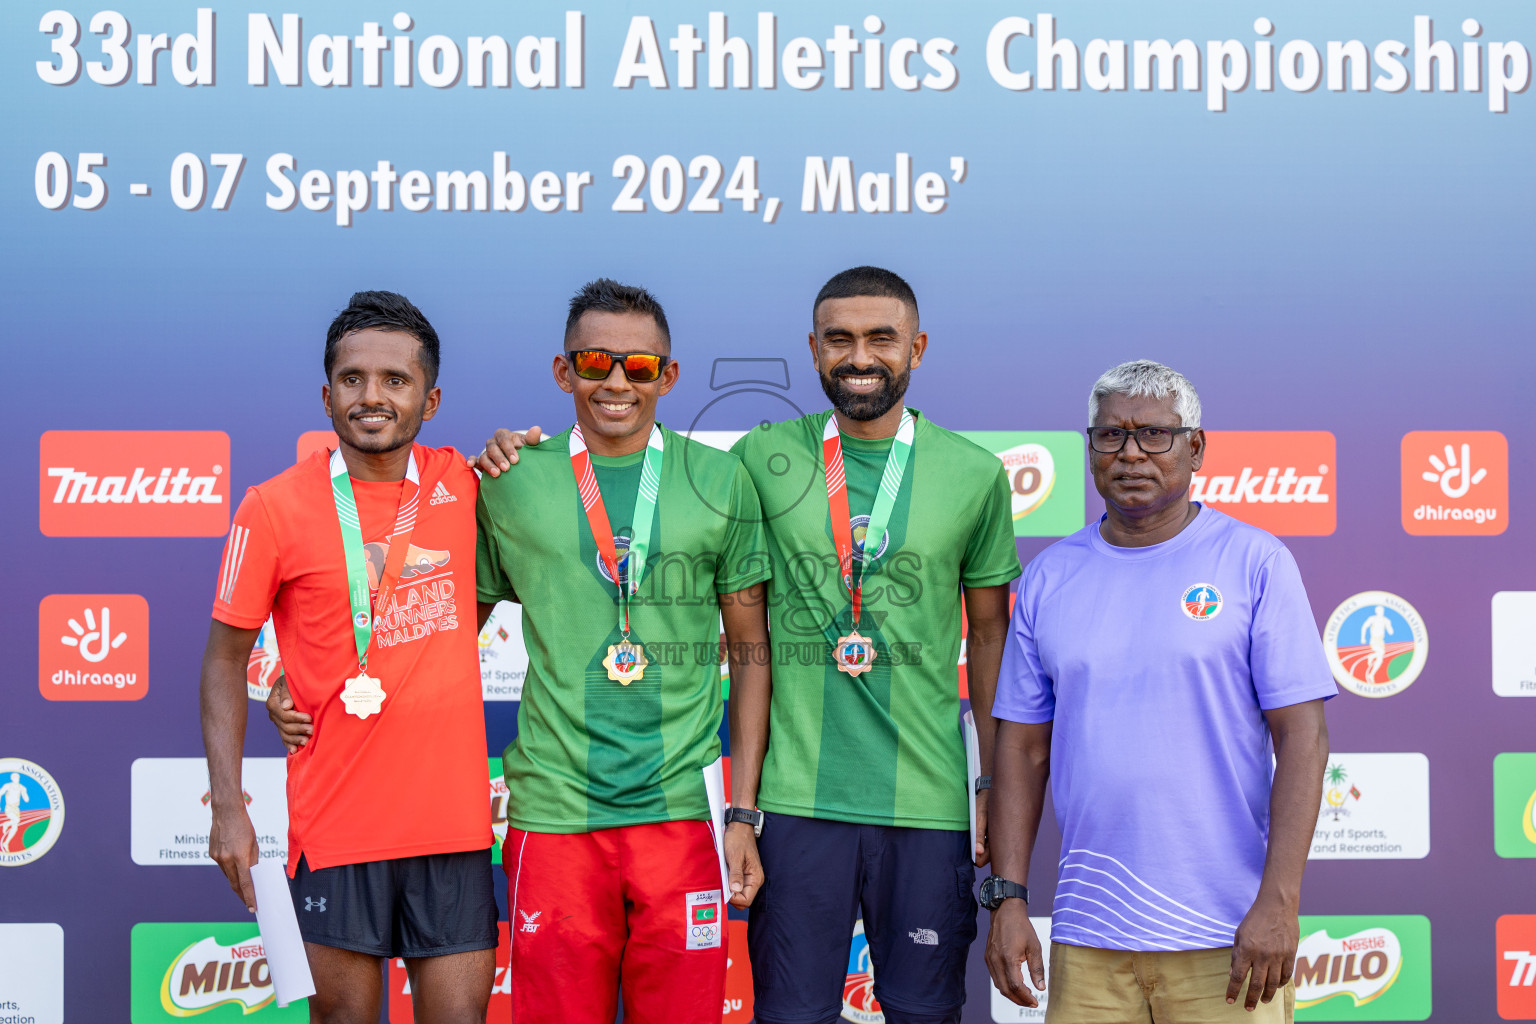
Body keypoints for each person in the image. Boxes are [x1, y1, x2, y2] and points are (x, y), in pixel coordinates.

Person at [202, 290, 530, 1024]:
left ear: (431, 398)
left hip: (453, 833)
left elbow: (467, 601)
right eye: (352, 379)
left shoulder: (470, 487)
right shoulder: (272, 506)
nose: (372, 397)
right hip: (335, 833)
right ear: (326, 395)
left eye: (395, 380)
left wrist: (516, 451)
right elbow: (224, 659)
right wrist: (229, 808)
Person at [983, 360, 1333, 1023]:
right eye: (1111, 436)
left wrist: (1279, 902)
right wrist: (1010, 898)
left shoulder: (1254, 562)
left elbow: (1304, 738)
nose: (1132, 453)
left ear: (1196, 447)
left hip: (1228, 937)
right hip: (1090, 939)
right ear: (1089, 449)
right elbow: (1022, 751)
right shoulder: (1051, 577)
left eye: (1155, 435)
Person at [475, 278, 772, 1024]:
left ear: (668, 378)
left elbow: (751, 653)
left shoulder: (719, 480)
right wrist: (318, 685)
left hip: (682, 814)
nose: (616, 382)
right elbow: (444, 633)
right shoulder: (510, 482)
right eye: (595, 361)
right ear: (562, 370)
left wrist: (742, 814)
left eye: (639, 368)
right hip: (554, 815)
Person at [729, 266, 1021, 1024]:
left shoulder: (974, 474)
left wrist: (989, 785)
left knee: (925, 1014)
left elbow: (989, 635)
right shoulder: (762, 459)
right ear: (814, 349)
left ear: (916, 348)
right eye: (840, 339)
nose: (860, 356)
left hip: (928, 805)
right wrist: (516, 452)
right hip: (797, 806)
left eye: (880, 338)